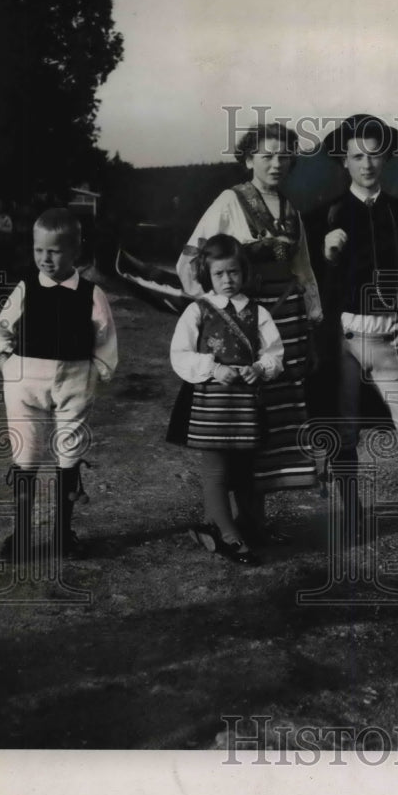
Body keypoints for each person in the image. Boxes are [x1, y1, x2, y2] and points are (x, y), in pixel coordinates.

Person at [175, 123, 322, 535]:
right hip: (242, 323)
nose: (276, 163)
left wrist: (310, 327)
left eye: (284, 155)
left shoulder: (291, 209)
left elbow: (304, 270)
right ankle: (224, 522)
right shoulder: (230, 200)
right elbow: (190, 259)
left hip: (285, 323)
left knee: (270, 424)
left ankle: (252, 518)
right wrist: (213, 309)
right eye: (266, 156)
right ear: (247, 160)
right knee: (236, 420)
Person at [313, 113, 398, 541]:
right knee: (344, 430)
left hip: (391, 338)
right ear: (344, 161)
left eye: (375, 155)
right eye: (358, 156)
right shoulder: (325, 216)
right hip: (344, 338)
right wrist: (326, 256)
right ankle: (353, 514)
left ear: (387, 159)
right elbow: (309, 285)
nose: (367, 164)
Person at [0, 208, 118, 562]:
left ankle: (62, 535)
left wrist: (98, 371)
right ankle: (22, 535)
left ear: (76, 251)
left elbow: (104, 336)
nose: (45, 258)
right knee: (25, 454)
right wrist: (4, 357)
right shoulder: (26, 286)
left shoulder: (91, 293)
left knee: (69, 452)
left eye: (54, 251)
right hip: (25, 381)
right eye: (39, 249)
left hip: (74, 381)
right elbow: (1, 325)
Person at [168, 234, 284, 566]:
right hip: (211, 401)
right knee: (216, 469)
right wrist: (212, 368)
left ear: (243, 272)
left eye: (233, 272)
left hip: (246, 403)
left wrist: (260, 369)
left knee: (248, 466)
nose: (227, 280)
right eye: (219, 274)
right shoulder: (197, 310)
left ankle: (249, 524)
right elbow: (180, 354)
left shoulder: (257, 312)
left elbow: (275, 352)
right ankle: (226, 533)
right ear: (208, 275)